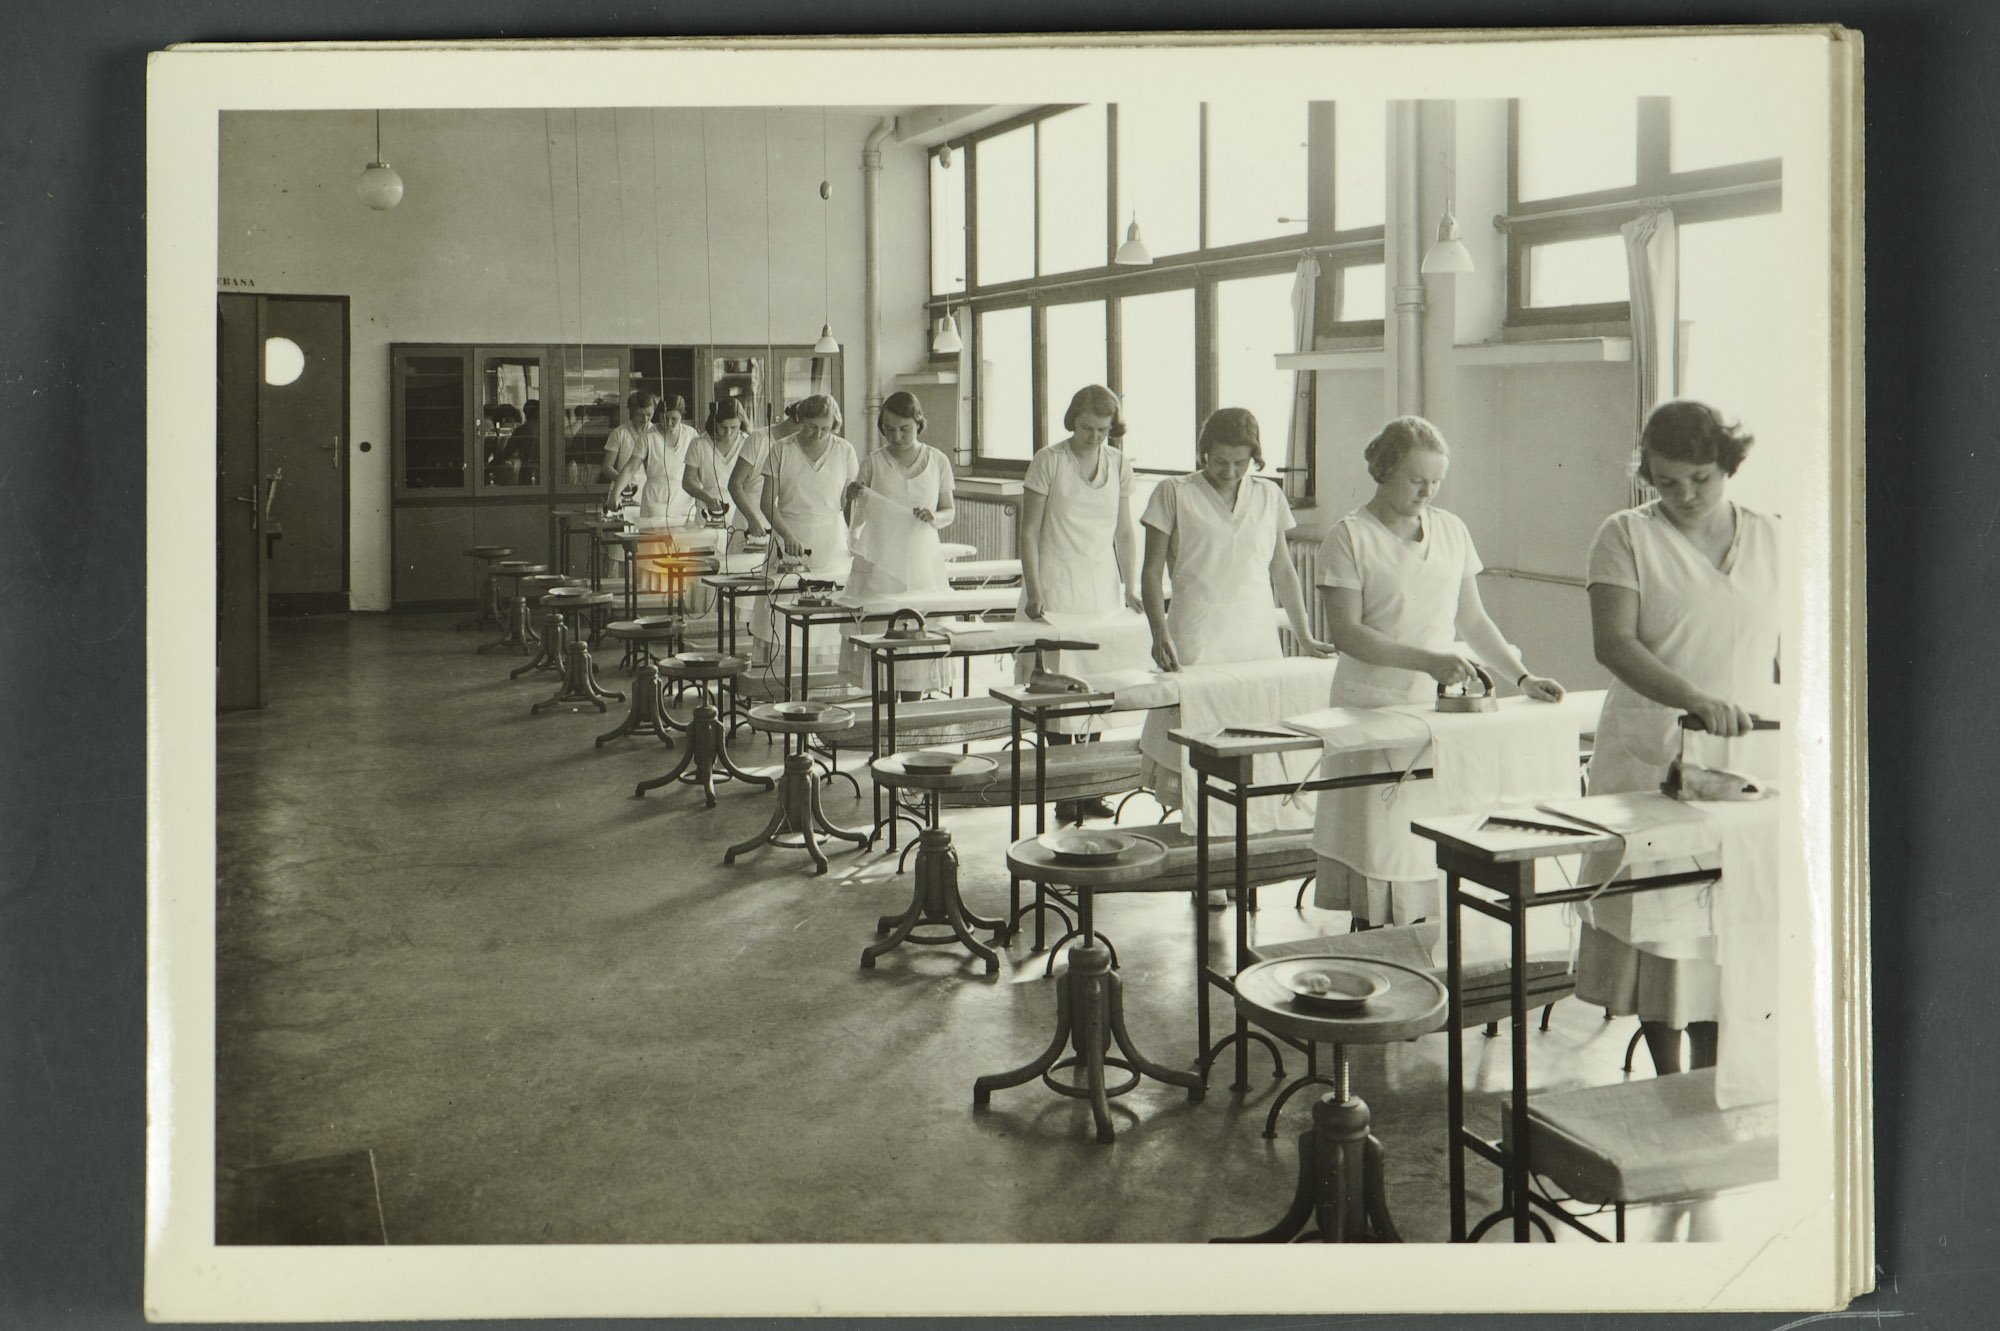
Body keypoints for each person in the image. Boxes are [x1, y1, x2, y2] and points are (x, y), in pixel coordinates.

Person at [1576, 399, 1781, 1080]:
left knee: (1728, 922)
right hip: (1651, 748)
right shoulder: (1625, 536)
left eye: (1700, 479)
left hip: (1746, 752)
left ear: (1727, 465)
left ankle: (1712, 1081)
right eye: (1666, 482)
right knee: (1660, 921)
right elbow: (1614, 643)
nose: (1685, 495)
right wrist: (1693, 698)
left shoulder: (1771, 538)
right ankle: (1668, 1084)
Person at [1311, 416, 1566, 926]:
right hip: (1373, 704)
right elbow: (1348, 634)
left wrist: (1522, 677)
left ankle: (1429, 951)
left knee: (1428, 840)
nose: (1427, 491)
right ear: (1384, 470)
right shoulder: (1350, 537)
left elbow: (1473, 620)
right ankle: (1375, 945)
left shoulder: (1452, 530)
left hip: (1439, 714)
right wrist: (1430, 662)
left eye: (1437, 481)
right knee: (1380, 842)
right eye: (1416, 479)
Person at [1020, 385, 1145, 821]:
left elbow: (1124, 532)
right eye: (1087, 428)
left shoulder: (1119, 464)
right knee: (1059, 689)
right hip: (1055, 585)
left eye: (1103, 430)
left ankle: (1088, 785)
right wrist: (1034, 589)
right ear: (1073, 420)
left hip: (1100, 588)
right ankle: (1064, 787)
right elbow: (1029, 531)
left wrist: (1131, 585)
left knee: (1096, 683)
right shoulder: (1049, 461)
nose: (1094, 437)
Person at [1140, 407, 1331, 670]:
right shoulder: (1173, 492)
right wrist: (1159, 634)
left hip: (1256, 634)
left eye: (1240, 463)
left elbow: (1283, 570)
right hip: (1195, 633)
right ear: (1205, 452)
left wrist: (1305, 637)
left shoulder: (1269, 494)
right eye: (1220, 461)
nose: (1229, 472)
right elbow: (1151, 572)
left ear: (1253, 457)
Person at [840, 391, 955, 696]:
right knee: (880, 635)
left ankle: (912, 708)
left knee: (918, 636)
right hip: (880, 559)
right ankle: (883, 709)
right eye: (889, 429)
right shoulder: (873, 462)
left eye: (904, 429)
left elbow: (949, 511)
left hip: (921, 560)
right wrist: (852, 496)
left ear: (919, 423)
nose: (896, 437)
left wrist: (935, 517)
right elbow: (856, 517)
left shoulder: (938, 461)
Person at [752, 395, 858, 678]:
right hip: (789, 532)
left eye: (825, 428)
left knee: (829, 610)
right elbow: (767, 502)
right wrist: (786, 534)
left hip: (831, 539)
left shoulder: (844, 450)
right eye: (812, 427)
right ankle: (783, 680)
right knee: (785, 608)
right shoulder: (782, 449)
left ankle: (826, 681)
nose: (818, 434)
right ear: (800, 420)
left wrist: (854, 530)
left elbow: (849, 501)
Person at [605, 394, 700, 528]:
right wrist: (615, 494)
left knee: (684, 539)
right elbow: (630, 468)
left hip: (684, 501)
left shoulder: (691, 435)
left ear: (682, 416)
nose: (669, 423)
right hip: (655, 500)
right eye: (665, 418)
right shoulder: (648, 436)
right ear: (659, 414)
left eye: (674, 419)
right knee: (654, 539)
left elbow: (699, 470)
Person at [726, 401, 811, 543]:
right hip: (750, 521)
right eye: (808, 428)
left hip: (780, 524)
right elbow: (734, 484)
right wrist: (752, 519)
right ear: (797, 418)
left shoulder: (797, 447)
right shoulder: (759, 439)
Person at [682, 397, 753, 533]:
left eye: (734, 427)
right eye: (723, 427)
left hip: (739, 511)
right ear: (714, 422)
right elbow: (687, 482)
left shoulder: (747, 443)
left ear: (741, 424)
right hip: (707, 512)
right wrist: (707, 499)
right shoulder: (699, 444)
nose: (728, 432)